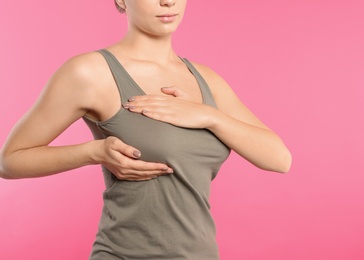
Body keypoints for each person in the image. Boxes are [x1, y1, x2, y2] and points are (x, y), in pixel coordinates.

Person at [0, 0, 292, 259]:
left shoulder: (206, 78)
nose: (168, 2)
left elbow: (279, 159)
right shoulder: (90, 72)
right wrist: (94, 151)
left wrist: (208, 116)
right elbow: (9, 160)